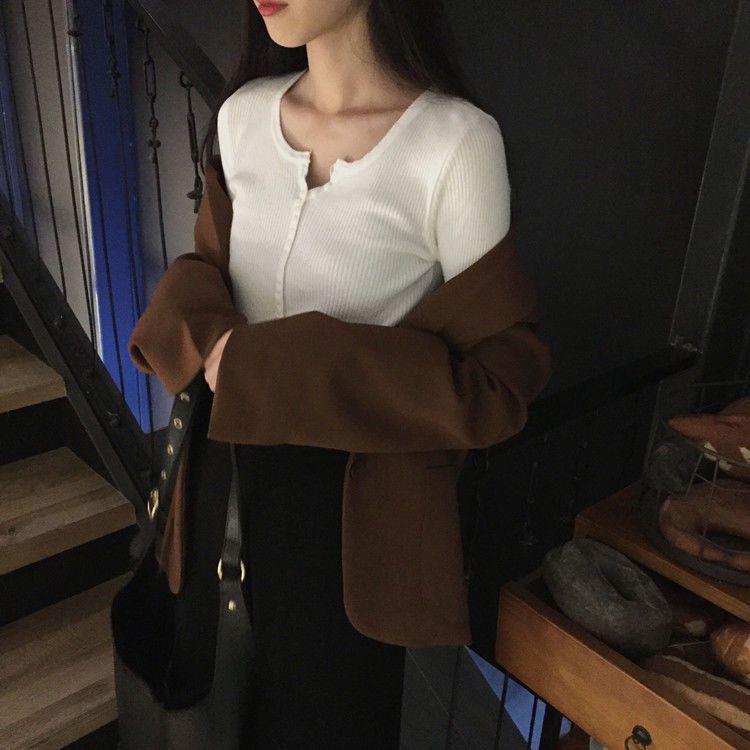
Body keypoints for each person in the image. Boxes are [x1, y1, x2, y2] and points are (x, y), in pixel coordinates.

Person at [122, 0, 521, 747]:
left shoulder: (455, 144)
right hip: (216, 476)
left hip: (347, 520)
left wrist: (279, 363)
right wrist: (201, 332)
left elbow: (498, 380)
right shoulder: (242, 117)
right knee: (199, 712)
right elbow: (208, 267)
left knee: (323, 724)